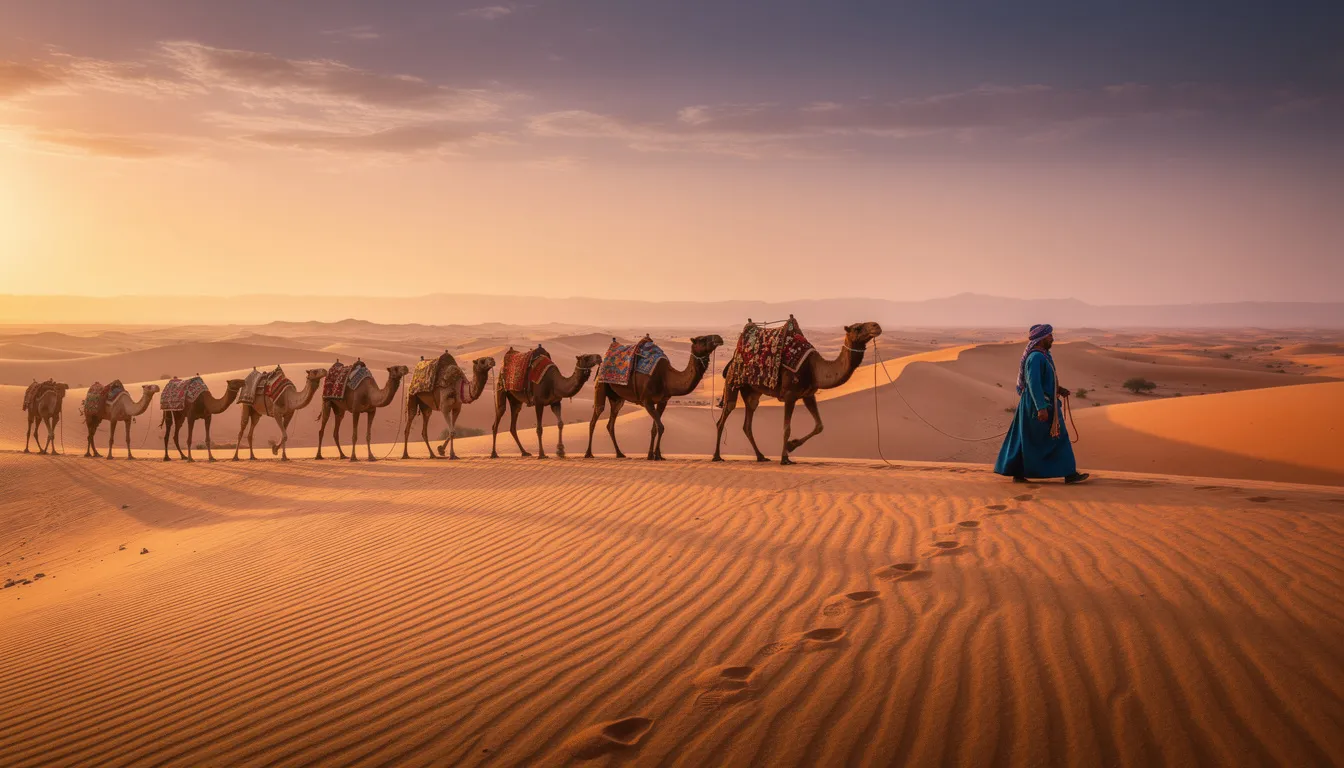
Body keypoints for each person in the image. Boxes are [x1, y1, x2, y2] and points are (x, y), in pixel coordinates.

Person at [994, 324, 1089, 484]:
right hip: (1038, 405)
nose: (1052, 338)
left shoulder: (1043, 356)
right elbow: (1034, 384)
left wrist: (1059, 389)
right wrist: (1041, 408)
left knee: (1031, 438)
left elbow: (1043, 380)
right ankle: (1069, 474)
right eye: (1049, 336)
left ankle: (1021, 473)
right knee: (1052, 437)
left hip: (1042, 402)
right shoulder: (1036, 357)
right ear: (1041, 338)